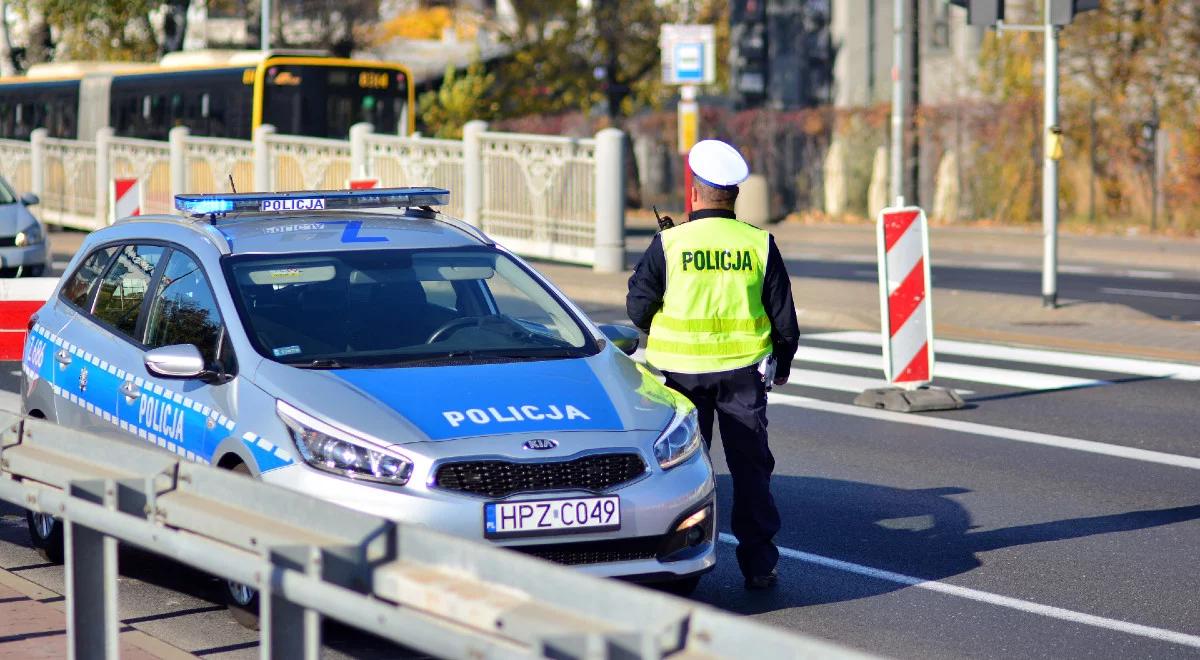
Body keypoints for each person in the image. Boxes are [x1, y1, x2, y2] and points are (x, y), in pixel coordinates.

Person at [626, 139, 799, 590]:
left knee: (684, 472)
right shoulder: (759, 244)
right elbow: (784, 318)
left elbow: (637, 307)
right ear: (733, 195)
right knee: (751, 470)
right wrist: (782, 363)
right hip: (743, 377)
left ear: (695, 193)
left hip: (679, 378)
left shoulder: (670, 242)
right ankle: (760, 564)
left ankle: (683, 565)